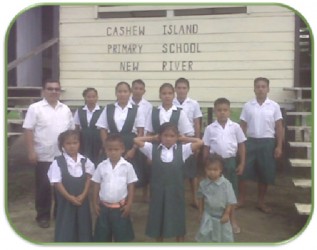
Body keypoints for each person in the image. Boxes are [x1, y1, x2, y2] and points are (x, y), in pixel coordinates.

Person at [134, 122, 203, 242]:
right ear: (160, 137)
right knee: (158, 219)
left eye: (172, 136)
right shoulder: (152, 149)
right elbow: (136, 140)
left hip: (175, 192)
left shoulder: (183, 150)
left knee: (177, 219)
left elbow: (199, 142)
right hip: (158, 191)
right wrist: (153, 138)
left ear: (176, 137)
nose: (168, 138)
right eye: (165, 135)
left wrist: (183, 138)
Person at [23, 79, 74, 228]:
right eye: (50, 89)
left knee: (62, 187)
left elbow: (71, 132)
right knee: (43, 187)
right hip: (43, 155)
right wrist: (31, 151)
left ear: (60, 91)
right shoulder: (35, 108)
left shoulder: (65, 109)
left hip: (62, 156)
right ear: (43, 91)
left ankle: (60, 214)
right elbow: (28, 130)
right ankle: (43, 216)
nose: (53, 92)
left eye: (56, 89)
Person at [239, 77, 283, 213]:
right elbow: (243, 126)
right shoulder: (248, 106)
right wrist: (239, 144)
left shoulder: (274, 106)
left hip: (267, 142)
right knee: (243, 171)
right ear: (254, 89)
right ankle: (241, 200)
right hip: (250, 141)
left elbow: (279, 127)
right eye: (258, 86)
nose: (260, 89)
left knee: (265, 173)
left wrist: (279, 146)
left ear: (268, 89)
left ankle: (261, 202)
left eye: (263, 86)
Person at [202, 97, 246, 234]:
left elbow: (241, 145)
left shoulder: (236, 127)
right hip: (215, 163)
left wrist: (242, 163)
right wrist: (206, 165)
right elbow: (206, 147)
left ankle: (232, 219)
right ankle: (211, 220)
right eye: (219, 110)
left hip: (231, 162)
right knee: (215, 192)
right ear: (215, 111)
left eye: (225, 110)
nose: (222, 113)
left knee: (230, 192)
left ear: (230, 111)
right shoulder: (210, 128)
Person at [47, 130, 95, 242]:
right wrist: (69, 197)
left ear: (79, 144)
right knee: (66, 223)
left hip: (82, 201)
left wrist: (83, 195)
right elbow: (57, 183)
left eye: (75, 142)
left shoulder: (85, 161)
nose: (72, 146)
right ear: (62, 145)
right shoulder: (58, 162)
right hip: (66, 202)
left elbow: (89, 178)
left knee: (83, 223)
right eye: (68, 143)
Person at [92, 134, 138, 242]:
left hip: (120, 208)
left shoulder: (127, 166)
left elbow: (131, 186)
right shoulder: (101, 166)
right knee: (102, 237)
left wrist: (129, 204)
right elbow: (96, 184)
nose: (113, 152)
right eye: (110, 149)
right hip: (103, 208)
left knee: (122, 237)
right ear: (105, 150)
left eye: (116, 149)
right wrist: (94, 203)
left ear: (122, 149)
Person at [173, 77, 202, 208]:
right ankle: (177, 199)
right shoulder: (170, 102)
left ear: (188, 89)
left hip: (189, 139)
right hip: (173, 140)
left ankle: (194, 198)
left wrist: (196, 142)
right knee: (176, 171)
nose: (181, 90)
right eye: (179, 88)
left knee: (192, 172)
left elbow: (197, 123)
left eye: (184, 88)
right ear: (175, 89)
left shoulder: (193, 104)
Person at [195, 154, 237, 242]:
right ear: (205, 169)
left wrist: (227, 214)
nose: (212, 172)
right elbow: (201, 199)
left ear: (220, 170)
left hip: (222, 217)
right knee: (207, 238)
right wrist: (200, 213)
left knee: (224, 238)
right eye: (209, 169)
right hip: (208, 216)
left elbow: (230, 201)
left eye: (215, 170)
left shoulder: (226, 184)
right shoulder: (203, 184)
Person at [130, 79, 153, 201]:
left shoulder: (148, 106)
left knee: (145, 168)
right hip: (130, 139)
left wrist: (146, 141)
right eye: (135, 88)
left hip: (144, 140)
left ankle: (145, 193)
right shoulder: (125, 103)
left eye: (140, 89)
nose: (138, 91)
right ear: (131, 90)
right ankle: (130, 193)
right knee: (131, 167)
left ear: (144, 91)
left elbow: (149, 125)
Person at [74, 87, 102, 166]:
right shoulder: (80, 111)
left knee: (97, 161)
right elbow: (76, 128)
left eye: (93, 96)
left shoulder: (102, 110)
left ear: (97, 97)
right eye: (88, 97)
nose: (91, 99)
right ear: (85, 98)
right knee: (84, 161)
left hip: (97, 140)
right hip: (83, 140)